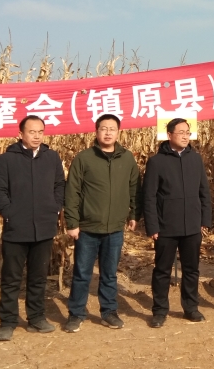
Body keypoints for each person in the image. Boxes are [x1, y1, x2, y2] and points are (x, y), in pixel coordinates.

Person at [0, 115, 66, 341]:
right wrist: (10, 213)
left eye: (40, 132)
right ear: (20, 134)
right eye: (32, 132)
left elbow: (60, 185)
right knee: (11, 278)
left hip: (43, 228)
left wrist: (54, 207)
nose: (37, 136)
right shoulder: (7, 159)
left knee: (38, 277)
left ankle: (36, 318)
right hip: (16, 228)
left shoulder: (51, 157)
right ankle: (8, 322)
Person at [64, 114, 139, 332]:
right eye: (103, 128)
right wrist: (72, 222)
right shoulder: (84, 158)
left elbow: (134, 188)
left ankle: (109, 312)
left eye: (112, 129)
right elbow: (72, 192)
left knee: (109, 274)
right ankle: (76, 314)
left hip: (114, 228)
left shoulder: (127, 158)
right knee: (82, 274)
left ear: (118, 132)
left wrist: (134, 214)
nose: (108, 133)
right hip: (87, 228)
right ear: (96, 132)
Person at [140, 118, 212, 328]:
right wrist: (152, 226)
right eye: (180, 132)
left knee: (191, 269)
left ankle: (191, 308)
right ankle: (159, 311)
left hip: (192, 225)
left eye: (187, 132)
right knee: (162, 270)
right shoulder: (157, 162)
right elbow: (149, 197)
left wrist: (204, 219)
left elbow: (204, 192)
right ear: (169, 135)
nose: (185, 136)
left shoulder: (195, 159)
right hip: (166, 227)